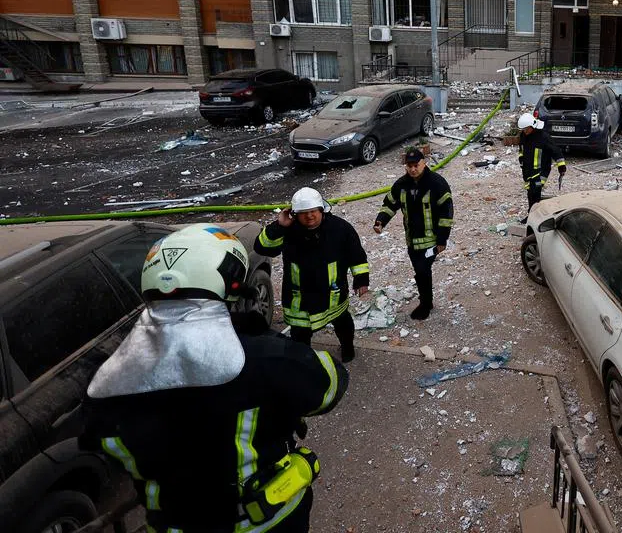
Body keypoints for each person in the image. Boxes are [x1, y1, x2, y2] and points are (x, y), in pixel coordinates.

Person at [81, 224, 348, 533]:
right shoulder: (266, 358)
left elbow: (106, 446)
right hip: (265, 523)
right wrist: (259, 336)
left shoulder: (109, 380)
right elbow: (330, 386)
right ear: (226, 288)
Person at [255, 186, 369, 363]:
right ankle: (304, 362)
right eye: (304, 213)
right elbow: (262, 248)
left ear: (321, 209)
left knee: (343, 324)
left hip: (332, 294)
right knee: (300, 333)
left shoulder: (340, 228)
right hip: (300, 299)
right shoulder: (288, 230)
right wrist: (279, 226)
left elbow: (356, 254)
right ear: (295, 214)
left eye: (313, 211)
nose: (309, 216)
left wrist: (361, 279)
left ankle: (348, 349)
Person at [373, 148, 453, 320]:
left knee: (423, 270)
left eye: (416, 165)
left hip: (431, 241)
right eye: (409, 166)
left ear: (424, 163)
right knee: (419, 270)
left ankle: (425, 303)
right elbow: (389, 204)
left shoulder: (437, 184)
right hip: (412, 240)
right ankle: (426, 301)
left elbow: (446, 213)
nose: (413, 169)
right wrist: (381, 221)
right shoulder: (401, 185)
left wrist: (442, 239)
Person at [517, 111, 566, 218]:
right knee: (530, 192)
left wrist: (561, 166)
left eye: (526, 129)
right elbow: (521, 149)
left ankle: (535, 216)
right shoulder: (524, 136)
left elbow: (556, 151)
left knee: (535, 191)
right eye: (523, 130)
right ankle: (532, 214)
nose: (525, 131)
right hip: (527, 170)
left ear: (532, 126)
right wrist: (521, 159)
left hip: (541, 170)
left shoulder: (543, 137)